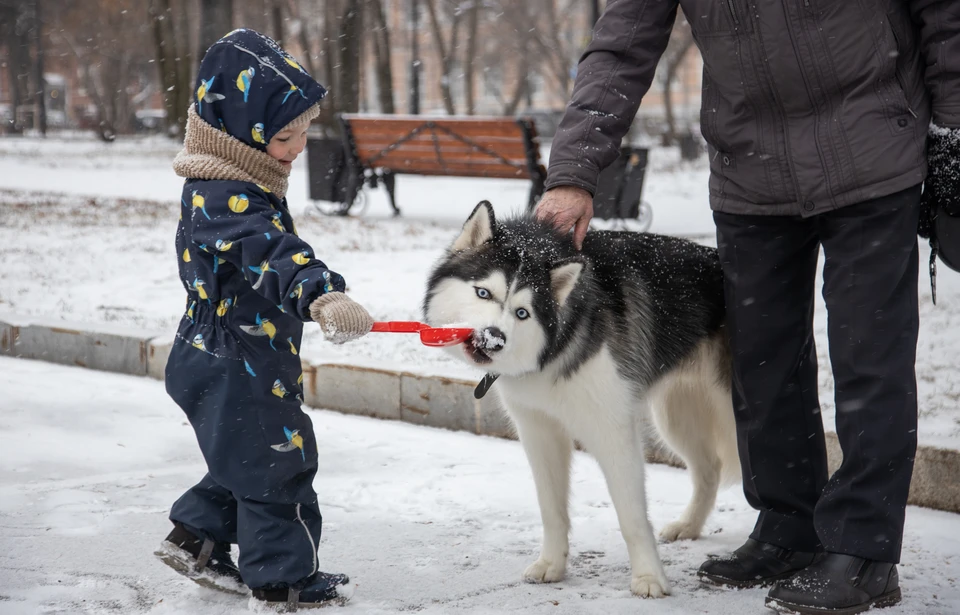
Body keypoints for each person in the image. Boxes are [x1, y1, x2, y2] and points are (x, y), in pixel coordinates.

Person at [535, 2, 959, 614]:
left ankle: (864, 549)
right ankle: (790, 527)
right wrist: (572, 172)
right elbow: (622, 44)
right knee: (761, 360)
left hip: (870, 142)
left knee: (870, 356)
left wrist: (953, 128)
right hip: (751, 164)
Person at [155, 28, 374, 610]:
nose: (299, 145)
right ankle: (283, 581)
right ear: (240, 132)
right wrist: (323, 295)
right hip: (239, 359)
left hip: (226, 352)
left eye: (305, 130)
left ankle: (196, 537)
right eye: (285, 135)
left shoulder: (226, 181)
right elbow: (268, 252)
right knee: (282, 464)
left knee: (248, 456)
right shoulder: (228, 195)